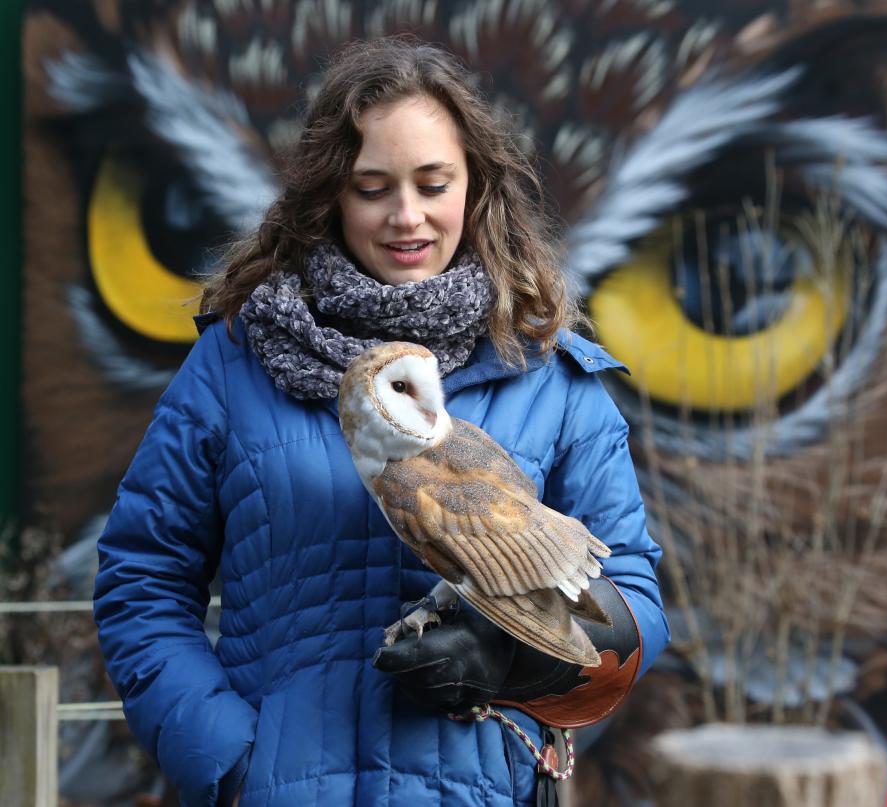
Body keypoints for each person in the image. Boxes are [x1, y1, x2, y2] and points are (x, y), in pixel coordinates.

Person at [94, 37, 669, 807]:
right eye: (372, 188)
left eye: (433, 184)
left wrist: (513, 656)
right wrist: (232, 764)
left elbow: (630, 590)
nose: (408, 216)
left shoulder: (548, 375)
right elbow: (143, 579)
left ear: (474, 186)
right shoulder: (238, 363)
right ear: (331, 193)